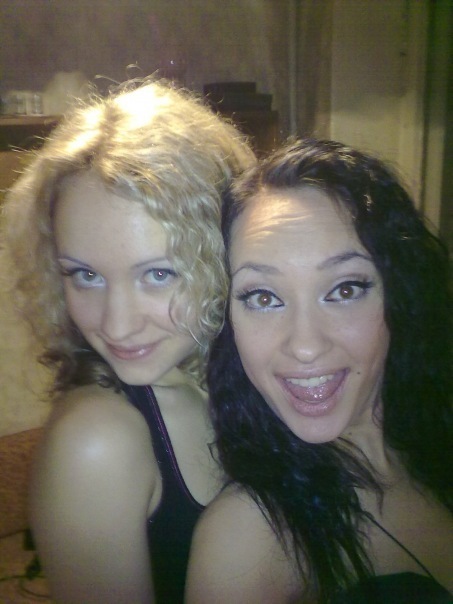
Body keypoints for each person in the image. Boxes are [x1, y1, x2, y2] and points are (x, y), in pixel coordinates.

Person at [2, 79, 255, 603]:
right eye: (85, 275)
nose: (116, 326)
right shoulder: (96, 443)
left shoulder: (255, 381)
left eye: (159, 274)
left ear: (226, 252)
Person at [186, 139, 453, 603]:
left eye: (344, 289)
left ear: (399, 293)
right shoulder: (246, 541)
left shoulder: (435, 448)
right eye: (263, 297)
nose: (305, 346)